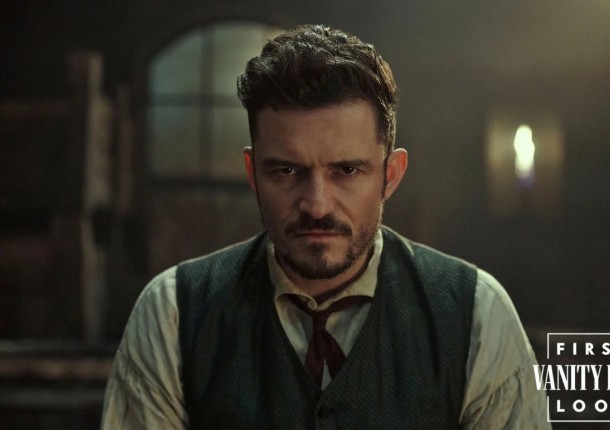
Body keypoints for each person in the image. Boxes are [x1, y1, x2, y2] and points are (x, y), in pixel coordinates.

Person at [101, 24, 550, 429]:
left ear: (390, 175)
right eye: (286, 171)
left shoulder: (475, 315)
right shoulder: (174, 314)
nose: (316, 205)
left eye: (347, 171)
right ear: (253, 172)